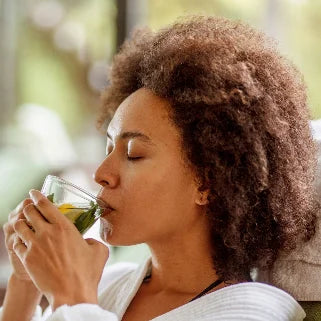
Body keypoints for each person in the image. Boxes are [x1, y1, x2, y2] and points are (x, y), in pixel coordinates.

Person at [1, 15, 319, 321]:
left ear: (207, 182)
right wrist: (25, 285)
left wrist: (72, 296)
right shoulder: (108, 284)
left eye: (134, 154)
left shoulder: (255, 312)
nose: (101, 172)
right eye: (108, 148)